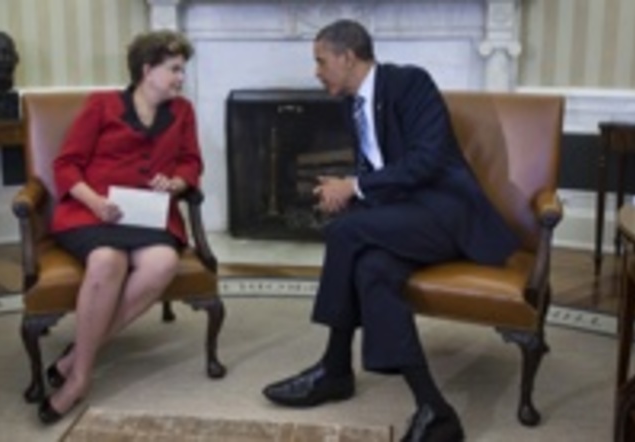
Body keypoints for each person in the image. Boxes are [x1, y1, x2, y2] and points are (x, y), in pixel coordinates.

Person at [261, 20, 520, 441]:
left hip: (445, 212)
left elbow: (426, 161)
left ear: (348, 57)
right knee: (372, 269)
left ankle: (334, 366)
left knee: (345, 232)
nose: (317, 72)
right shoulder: (352, 103)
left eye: (321, 61)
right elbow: (380, 169)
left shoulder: (410, 83)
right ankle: (434, 409)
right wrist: (348, 188)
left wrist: (354, 188)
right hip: (403, 216)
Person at [37, 30, 201, 424]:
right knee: (107, 261)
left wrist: (175, 183)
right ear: (147, 70)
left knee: (162, 263)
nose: (181, 78)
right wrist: (96, 202)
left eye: (182, 70)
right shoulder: (102, 105)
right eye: (174, 69)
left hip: (150, 215)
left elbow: (191, 162)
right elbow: (66, 165)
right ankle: (79, 379)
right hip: (93, 212)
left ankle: (76, 357)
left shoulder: (183, 112)